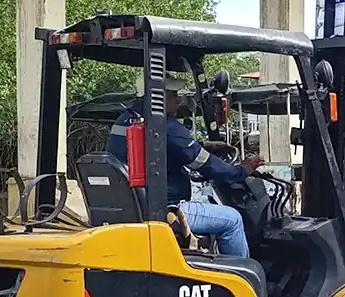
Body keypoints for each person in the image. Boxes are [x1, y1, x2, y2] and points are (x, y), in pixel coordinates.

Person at [108, 75, 265, 258]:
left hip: (135, 206)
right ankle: (245, 276)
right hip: (165, 208)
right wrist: (240, 171)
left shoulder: (124, 121)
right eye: (173, 94)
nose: (179, 99)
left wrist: (202, 144)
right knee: (233, 220)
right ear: (157, 96)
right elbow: (204, 164)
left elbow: (163, 147)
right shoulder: (165, 125)